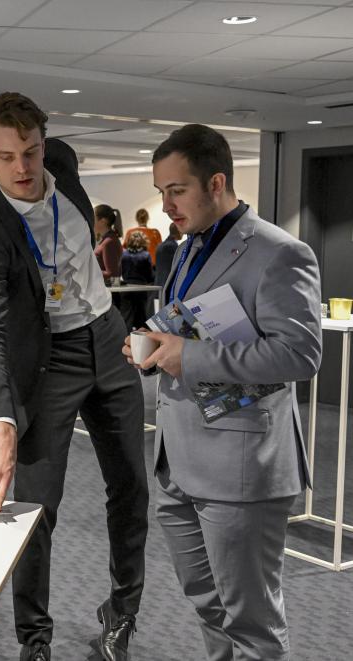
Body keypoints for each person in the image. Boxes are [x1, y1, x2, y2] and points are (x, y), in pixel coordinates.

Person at [0, 92, 148, 661]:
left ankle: (122, 615)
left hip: (109, 339)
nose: (23, 168)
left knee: (131, 488)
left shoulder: (61, 164)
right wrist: (0, 422)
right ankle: (34, 640)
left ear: (46, 145)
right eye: (8, 156)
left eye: (32, 152)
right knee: (37, 507)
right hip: (49, 360)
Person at [125, 123, 321, 661]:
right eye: (160, 191)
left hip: (241, 465)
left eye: (176, 190)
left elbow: (300, 355)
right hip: (178, 459)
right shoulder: (187, 247)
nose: (165, 204)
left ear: (216, 183)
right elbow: (191, 324)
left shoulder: (280, 252)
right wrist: (154, 346)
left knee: (251, 619)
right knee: (207, 604)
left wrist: (189, 356)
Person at [119, 231, 154, 331]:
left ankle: (124, 341)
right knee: (141, 317)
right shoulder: (146, 255)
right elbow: (150, 275)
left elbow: (121, 271)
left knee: (126, 317)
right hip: (141, 288)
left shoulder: (123, 254)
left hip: (126, 289)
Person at [94, 203, 123, 283]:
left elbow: (112, 274)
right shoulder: (107, 240)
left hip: (107, 292)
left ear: (103, 221)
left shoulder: (109, 242)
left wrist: (89, 272)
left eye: (94, 218)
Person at [153, 222, 182, 287]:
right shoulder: (173, 246)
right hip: (167, 283)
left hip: (158, 282)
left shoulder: (160, 245)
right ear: (179, 231)